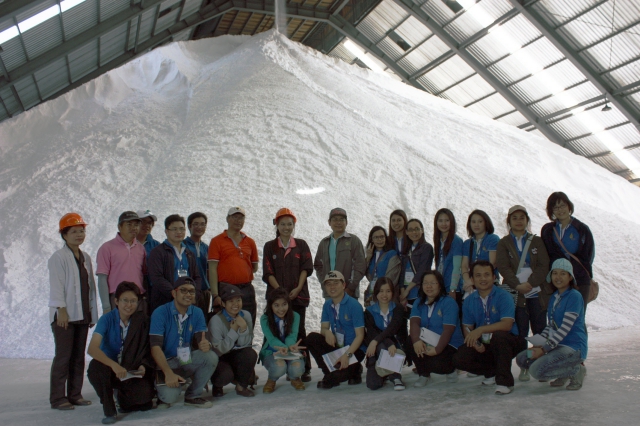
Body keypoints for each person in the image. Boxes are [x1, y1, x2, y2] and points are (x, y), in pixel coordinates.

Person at [49, 213, 98, 410]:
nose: (79, 235)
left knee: (78, 358)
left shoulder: (85, 257)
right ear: (64, 235)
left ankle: (75, 394)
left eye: (82, 231)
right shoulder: (58, 257)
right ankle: (58, 398)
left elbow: (90, 287)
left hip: (82, 315)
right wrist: (60, 309)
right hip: (65, 316)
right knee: (63, 357)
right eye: (74, 231)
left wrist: (92, 314)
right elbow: (56, 285)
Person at [496, 205, 551, 382]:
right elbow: (503, 267)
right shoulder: (504, 243)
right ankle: (524, 365)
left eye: (522, 217)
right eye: (515, 218)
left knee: (540, 330)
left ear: (527, 220)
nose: (519, 221)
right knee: (521, 333)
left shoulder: (537, 241)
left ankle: (540, 364)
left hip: (537, 293)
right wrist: (518, 285)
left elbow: (544, 265)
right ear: (509, 221)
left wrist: (531, 282)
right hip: (517, 295)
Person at [87, 282, 154, 424]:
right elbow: (92, 349)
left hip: (129, 371)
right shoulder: (107, 319)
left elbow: (147, 348)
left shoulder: (142, 320)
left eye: (133, 301)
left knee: (144, 399)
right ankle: (109, 409)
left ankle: (121, 396)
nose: (129, 305)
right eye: (125, 300)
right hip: (109, 370)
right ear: (116, 301)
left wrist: (143, 365)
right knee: (95, 368)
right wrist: (114, 365)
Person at [515, 259, 587, 390]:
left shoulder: (574, 296)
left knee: (536, 371)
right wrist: (539, 343)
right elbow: (551, 326)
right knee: (522, 358)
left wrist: (543, 350)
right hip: (556, 346)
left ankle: (575, 370)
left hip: (572, 348)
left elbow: (564, 329)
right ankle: (563, 371)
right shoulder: (554, 296)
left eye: (563, 273)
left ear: (570, 277)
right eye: (555, 273)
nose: (558, 277)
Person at [453, 260, 522, 395]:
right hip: (485, 342)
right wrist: (474, 343)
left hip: (508, 341)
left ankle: (504, 382)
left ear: (494, 277)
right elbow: (467, 327)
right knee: (459, 358)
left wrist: (480, 330)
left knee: (499, 336)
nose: (483, 279)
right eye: (478, 275)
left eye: (487, 275)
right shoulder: (469, 301)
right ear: (472, 279)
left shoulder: (504, 296)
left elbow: (507, 324)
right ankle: (490, 372)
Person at [262, 207, 314, 382]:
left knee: (298, 331)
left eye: (289, 224)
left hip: (298, 296)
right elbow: (268, 272)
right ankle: (277, 364)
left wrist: (298, 288)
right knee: (274, 329)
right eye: (283, 224)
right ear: (277, 225)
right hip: (276, 298)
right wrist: (280, 293)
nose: (286, 227)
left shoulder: (301, 244)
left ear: (294, 225)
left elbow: (306, 268)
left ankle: (303, 368)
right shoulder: (269, 246)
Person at [149, 276, 217, 409]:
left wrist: (206, 344)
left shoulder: (197, 312)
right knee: (169, 397)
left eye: (191, 291)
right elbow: (155, 348)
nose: (188, 294)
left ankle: (193, 396)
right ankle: (161, 392)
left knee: (210, 357)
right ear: (174, 293)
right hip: (166, 362)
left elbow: (201, 339)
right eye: (183, 290)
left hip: (185, 359)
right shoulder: (160, 312)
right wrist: (168, 373)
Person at [305, 271, 366, 389]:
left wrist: (347, 355)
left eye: (336, 283)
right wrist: (327, 332)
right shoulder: (327, 305)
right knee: (311, 338)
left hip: (354, 350)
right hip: (337, 347)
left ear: (343, 285)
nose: (332, 287)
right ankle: (328, 372)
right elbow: (323, 328)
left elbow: (360, 336)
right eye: (328, 284)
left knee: (337, 377)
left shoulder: (354, 305)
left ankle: (355, 369)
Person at [541, 192, 595, 311]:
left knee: (577, 315)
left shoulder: (581, 229)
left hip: (579, 279)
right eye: (555, 207)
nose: (560, 210)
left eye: (562, 205)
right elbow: (546, 255)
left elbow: (589, 256)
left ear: (569, 206)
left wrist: (577, 271)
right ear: (551, 210)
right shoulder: (548, 230)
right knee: (558, 314)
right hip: (557, 281)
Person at [410, 270, 464, 387]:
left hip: (449, 343)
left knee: (436, 364)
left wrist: (437, 350)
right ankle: (424, 375)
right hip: (429, 340)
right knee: (411, 341)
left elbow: (448, 330)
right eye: (425, 283)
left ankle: (451, 370)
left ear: (440, 285)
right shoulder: (419, 302)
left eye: (433, 283)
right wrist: (416, 340)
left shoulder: (448, 302)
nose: (428, 286)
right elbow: (414, 323)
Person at [208, 207, 259, 327]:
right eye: (234, 217)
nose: (238, 220)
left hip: (246, 288)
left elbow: (254, 267)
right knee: (226, 325)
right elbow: (212, 269)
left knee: (247, 323)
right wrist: (215, 295)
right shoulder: (217, 241)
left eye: (241, 218)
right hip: (226, 288)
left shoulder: (250, 242)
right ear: (227, 219)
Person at [208, 284, 258, 397]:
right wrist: (234, 331)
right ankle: (217, 385)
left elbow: (246, 344)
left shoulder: (246, 315)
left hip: (237, 353)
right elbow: (220, 349)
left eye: (238, 300)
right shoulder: (215, 321)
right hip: (221, 356)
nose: (236, 304)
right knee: (225, 375)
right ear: (223, 303)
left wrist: (243, 328)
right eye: (231, 301)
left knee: (251, 354)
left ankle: (241, 387)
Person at [148, 214, 202, 313]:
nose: (179, 232)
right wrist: (175, 294)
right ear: (166, 231)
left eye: (182, 229)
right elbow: (156, 278)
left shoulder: (189, 253)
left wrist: (194, 294)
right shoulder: (158, 252)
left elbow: (197, 277)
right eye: (174, 229)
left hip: (187, 303)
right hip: (165, 302)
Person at [96, 211, 146, 314]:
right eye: (129, 224)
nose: (133, 228)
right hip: (117, 299)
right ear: (119, 227)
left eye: (136, 225)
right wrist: (106, 306)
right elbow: (102, 278)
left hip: (138, 299)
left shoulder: (141, 248)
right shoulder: (107, 248)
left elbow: (144, 275)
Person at [259, 288, 307, 393]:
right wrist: (283, 347)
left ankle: (294, 378)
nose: (281, 309)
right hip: (272, 350)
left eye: (284, 304)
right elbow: (272, 339)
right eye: (276, 305)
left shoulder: (295, 316)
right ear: (270, 306)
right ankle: (272, 379)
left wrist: (290, 346)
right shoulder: (265, 319)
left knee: (297, 368)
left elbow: (292, 336)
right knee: (279, 367)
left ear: (288, 304)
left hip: (290, 349)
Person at [314, 208, 366, 300]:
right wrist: (324, 284)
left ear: (346, 222)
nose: (338, 222)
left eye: (342, 219)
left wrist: (350, 288)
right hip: (329, 294)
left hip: (349, 294)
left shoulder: (354, 241)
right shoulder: (324, 243)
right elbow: (318, 266)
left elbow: (360, 266)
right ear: (329, 222)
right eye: (335, 219)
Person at [363, 277, 406, 391]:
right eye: (381, 291)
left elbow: (392, 329)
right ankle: (385, 370)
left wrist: (387, 343)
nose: (384, 295)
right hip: (377, 348)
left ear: (392, 292)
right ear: (376, 292)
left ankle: (395, 377)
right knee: (373, 384)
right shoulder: (369, 311)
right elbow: (372, 332)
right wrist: (387, 342)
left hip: (395, 346)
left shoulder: (398, 308)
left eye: (388, 291)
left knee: (381, 344)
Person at [461, 210, 500, 296]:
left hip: (489, 283)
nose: (476, 225)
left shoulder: (492, 239)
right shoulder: (467, 243)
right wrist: (468, 281)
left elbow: (493, 263)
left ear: (486, 222)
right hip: (472, 284)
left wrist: (476, 280)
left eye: (480, 221)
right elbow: (464, 265)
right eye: (473, 222)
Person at [364, 226, 401, 306]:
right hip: (372, 295)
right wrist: (368, 258)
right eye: (376, 237)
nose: (379, 240)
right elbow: (365, 274)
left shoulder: (392, 254)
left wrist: (381, 291)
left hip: (386, 296)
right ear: (371, 239)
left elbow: (392, 277)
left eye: (382, 237)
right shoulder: (371, 255)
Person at [184, 212, 211, 314]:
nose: (199, 227)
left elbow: (209, 270)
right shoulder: (183, 245)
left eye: (202, 224)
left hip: (204, 292)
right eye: (196, 224)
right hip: (187, 292)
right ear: (189, 226)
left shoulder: (206, 248)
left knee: (202, 320)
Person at [433, 208, 463, 299]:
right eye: (440, 221)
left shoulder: (456, 241)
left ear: (452, 222)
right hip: (441, 288)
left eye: (447, 220)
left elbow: (457, 267)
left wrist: (453, 289)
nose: (443, 224)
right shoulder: (438, 240)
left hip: (452, 289)